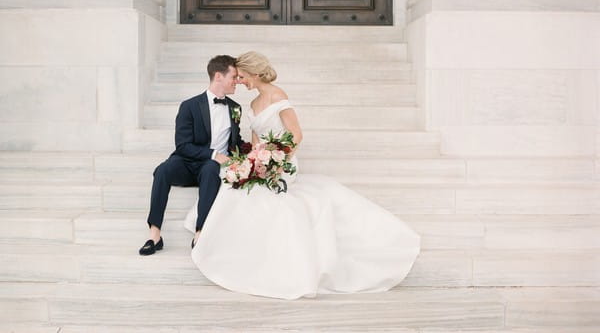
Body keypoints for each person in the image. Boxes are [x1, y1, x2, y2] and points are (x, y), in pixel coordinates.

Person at [183, 51, 420, 299]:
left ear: (254, 72)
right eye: (237, 78)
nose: (240, 82)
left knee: (268, 199)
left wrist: (278, 160)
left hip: (283, 161)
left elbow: (296, 134)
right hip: (262, 160)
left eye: (242, 76)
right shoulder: (252, 105)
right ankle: (223, 244)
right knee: (238, 189)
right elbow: (255, 142)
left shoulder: (278, 95)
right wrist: (252, 163)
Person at [139, 55, 244, 255]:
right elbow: (182, 145)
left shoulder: (235, 108)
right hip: (187, 162)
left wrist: (256, 151)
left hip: (210, 168)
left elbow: (236, 142)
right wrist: (214, 154)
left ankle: (200, 232)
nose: (237, 81)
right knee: (162, 170)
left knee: (211, 168)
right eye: (234, 77)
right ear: (219, 76)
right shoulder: (189, 106)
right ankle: (154, 234)